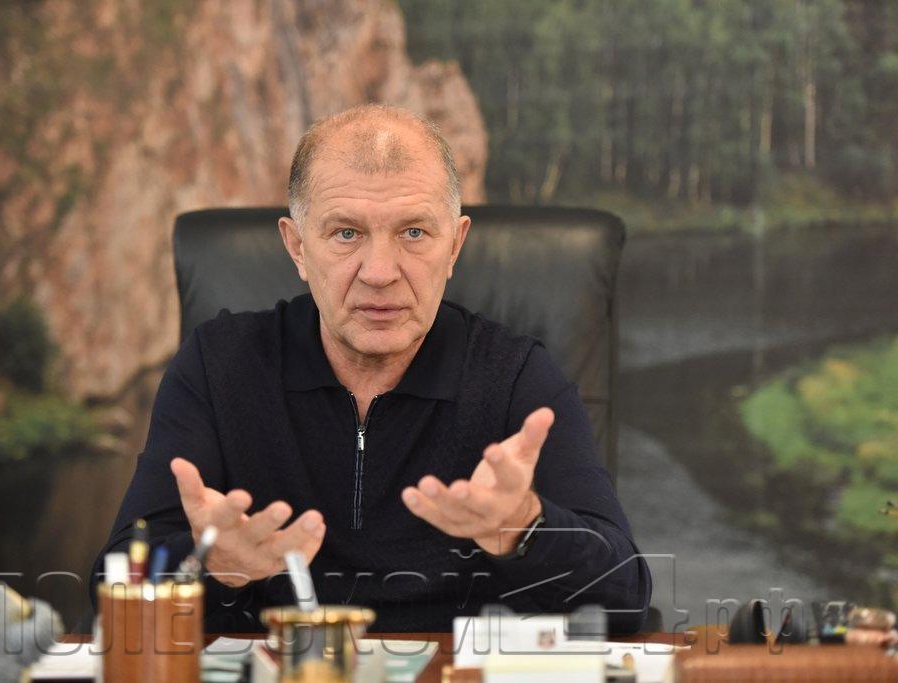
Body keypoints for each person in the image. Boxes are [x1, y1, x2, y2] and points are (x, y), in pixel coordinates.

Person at [91, 104, 651, 633]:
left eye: (414, 233)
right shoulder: (219, 365)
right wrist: (214, 566)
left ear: (454, 246)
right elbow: (112, 586)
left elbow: (625, 599)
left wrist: (525, 528)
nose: (380, 272)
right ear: (297, 247)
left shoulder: (517, 376)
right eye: (346, 233)